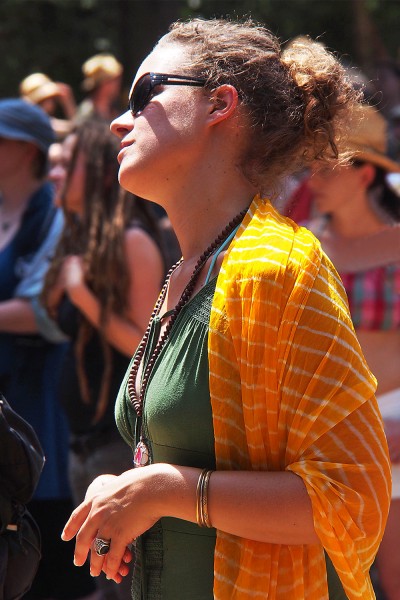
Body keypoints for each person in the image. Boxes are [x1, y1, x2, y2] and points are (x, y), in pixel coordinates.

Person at [62, 18, 391, 600]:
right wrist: (134, 494)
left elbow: (351, 497)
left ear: (219, 104)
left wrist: (166, 490)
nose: (118, 119)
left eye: (147, 96)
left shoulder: (279, 269)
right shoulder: (187, 273)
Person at [42, 118, 164, 600]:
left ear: (92, 173)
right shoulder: (84, 241)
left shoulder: (132, 240)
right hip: (85, 445)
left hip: (119, 449)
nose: (53, 174)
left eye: (64, 165)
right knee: (104, 581)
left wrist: (82, 295)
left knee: (125, 584)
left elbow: (145, 347)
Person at [0, 98, 96, 600]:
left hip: (38, 395)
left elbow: (42, 312)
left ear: (26, 149)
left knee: (40, 515)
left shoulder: (53, 217)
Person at [306, 104, 400, 600]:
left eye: (326, 167)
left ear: (364, 174)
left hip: (397, 429)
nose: (312, 177)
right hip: (328, 434)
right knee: (333, 583)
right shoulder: (304, 245)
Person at [20, 72, 77, 140]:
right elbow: (76, 130)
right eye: (49, 98)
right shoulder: (35, 122)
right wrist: (68, 103)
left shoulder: (46, 119)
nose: (52, 101)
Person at [76, 53, 123, 124]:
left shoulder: (112, 111)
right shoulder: (87, 114)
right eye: (115, 80)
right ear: (105, 83)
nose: (118, 84)